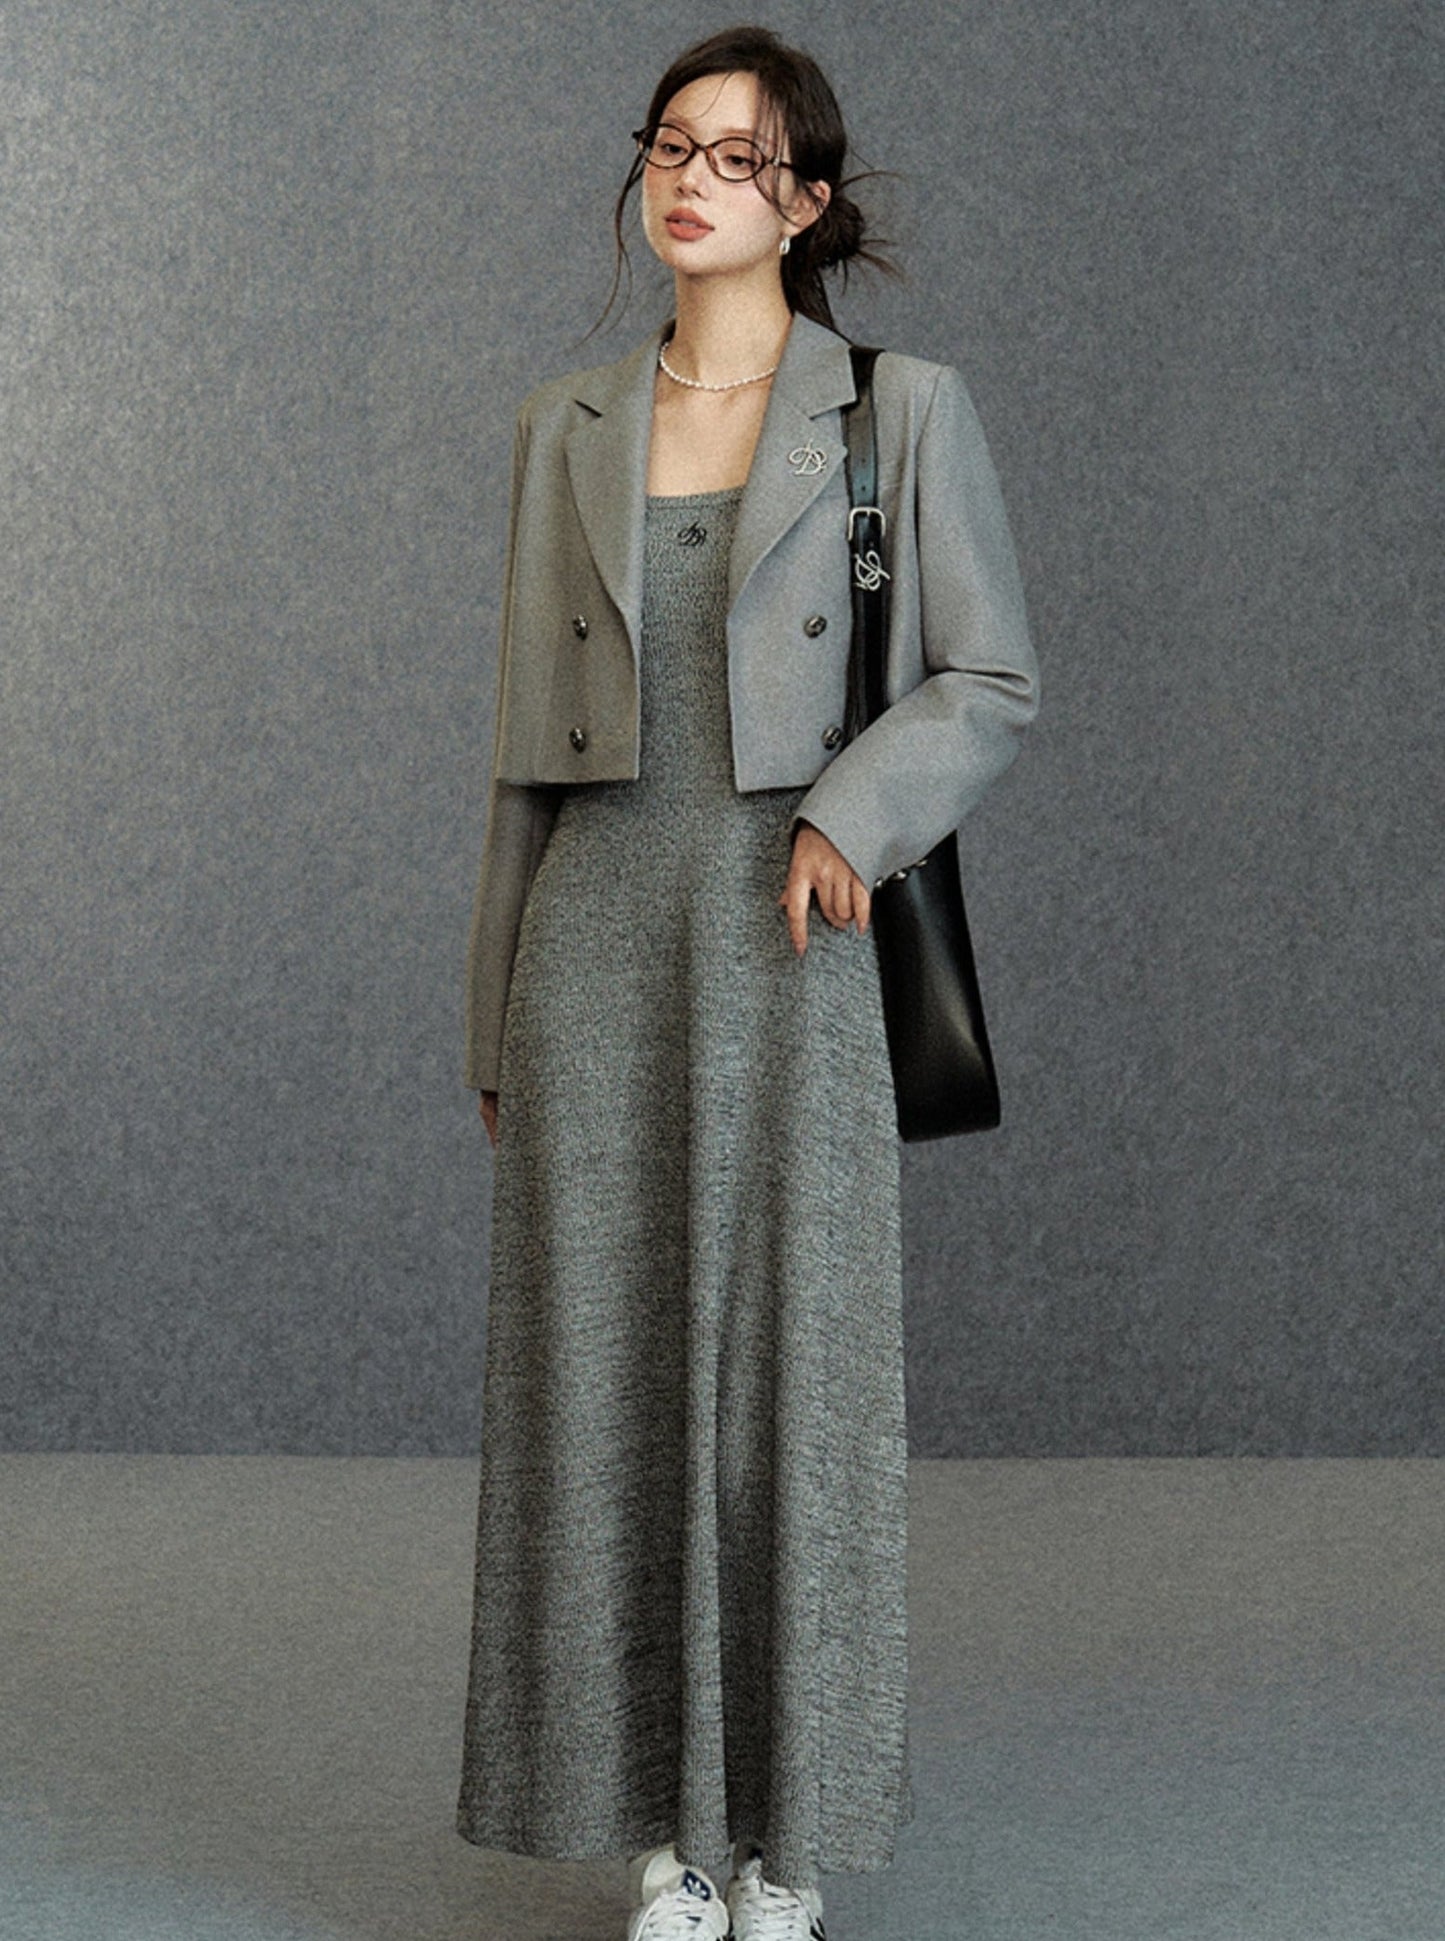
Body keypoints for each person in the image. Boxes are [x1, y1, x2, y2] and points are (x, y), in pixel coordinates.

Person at [454, 25, 1039, 1941]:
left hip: (798, 949)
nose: (689, 178)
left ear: (805, 199)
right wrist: (492, 1012)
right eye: (666, 145)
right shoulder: (562, 423)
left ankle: (787, 1841)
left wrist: (848, 818)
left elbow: (988, 679)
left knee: (797, 1386)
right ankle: (668, 1840)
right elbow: (522, 755)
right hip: (592, 953)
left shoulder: (897, 411)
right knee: (606, 1384)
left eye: (734, 153)